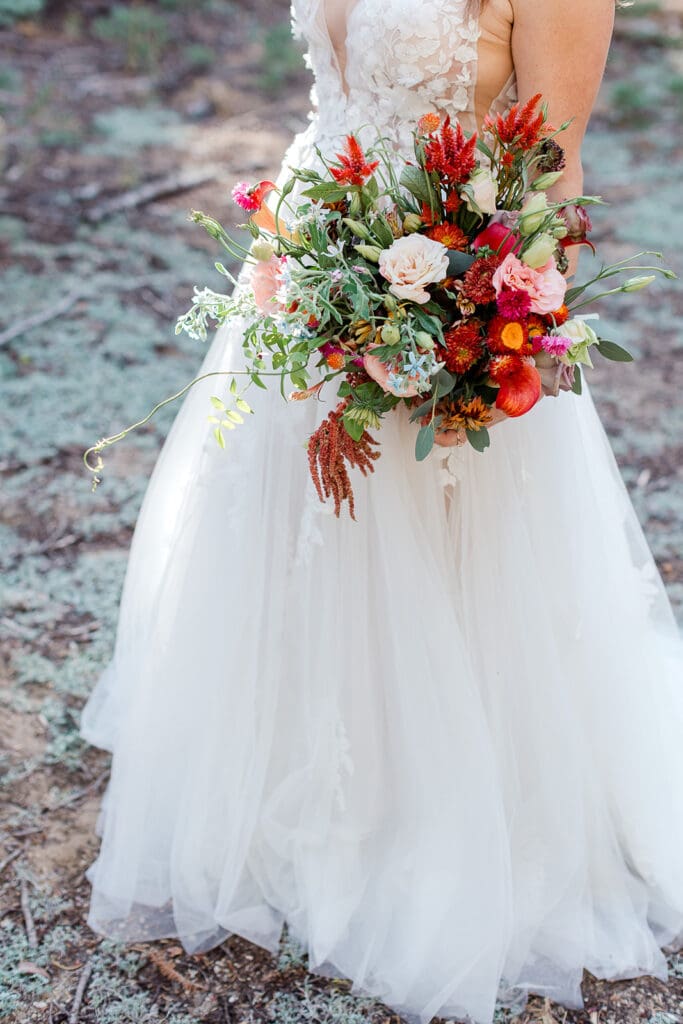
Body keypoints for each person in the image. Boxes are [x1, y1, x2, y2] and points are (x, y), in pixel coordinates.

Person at [80, 2, 683, 1022]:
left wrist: (489, 357)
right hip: (307, 282)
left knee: (438, 562)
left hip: (447, 313)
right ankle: (302, 801)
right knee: (290, 538)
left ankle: (436, 820)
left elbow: (550, 175)